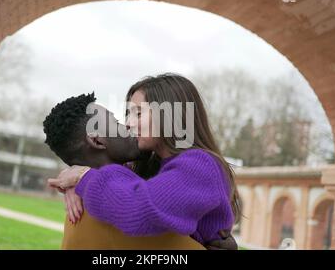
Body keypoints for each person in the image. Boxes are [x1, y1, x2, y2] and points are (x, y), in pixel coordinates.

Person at [48, 74, 241, 250]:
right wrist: (76, 178)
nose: (129, 123)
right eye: (127, 115)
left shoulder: (200, 165)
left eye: (138, 113)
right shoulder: (152, 165)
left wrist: (84, 177)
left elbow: (141, 208)